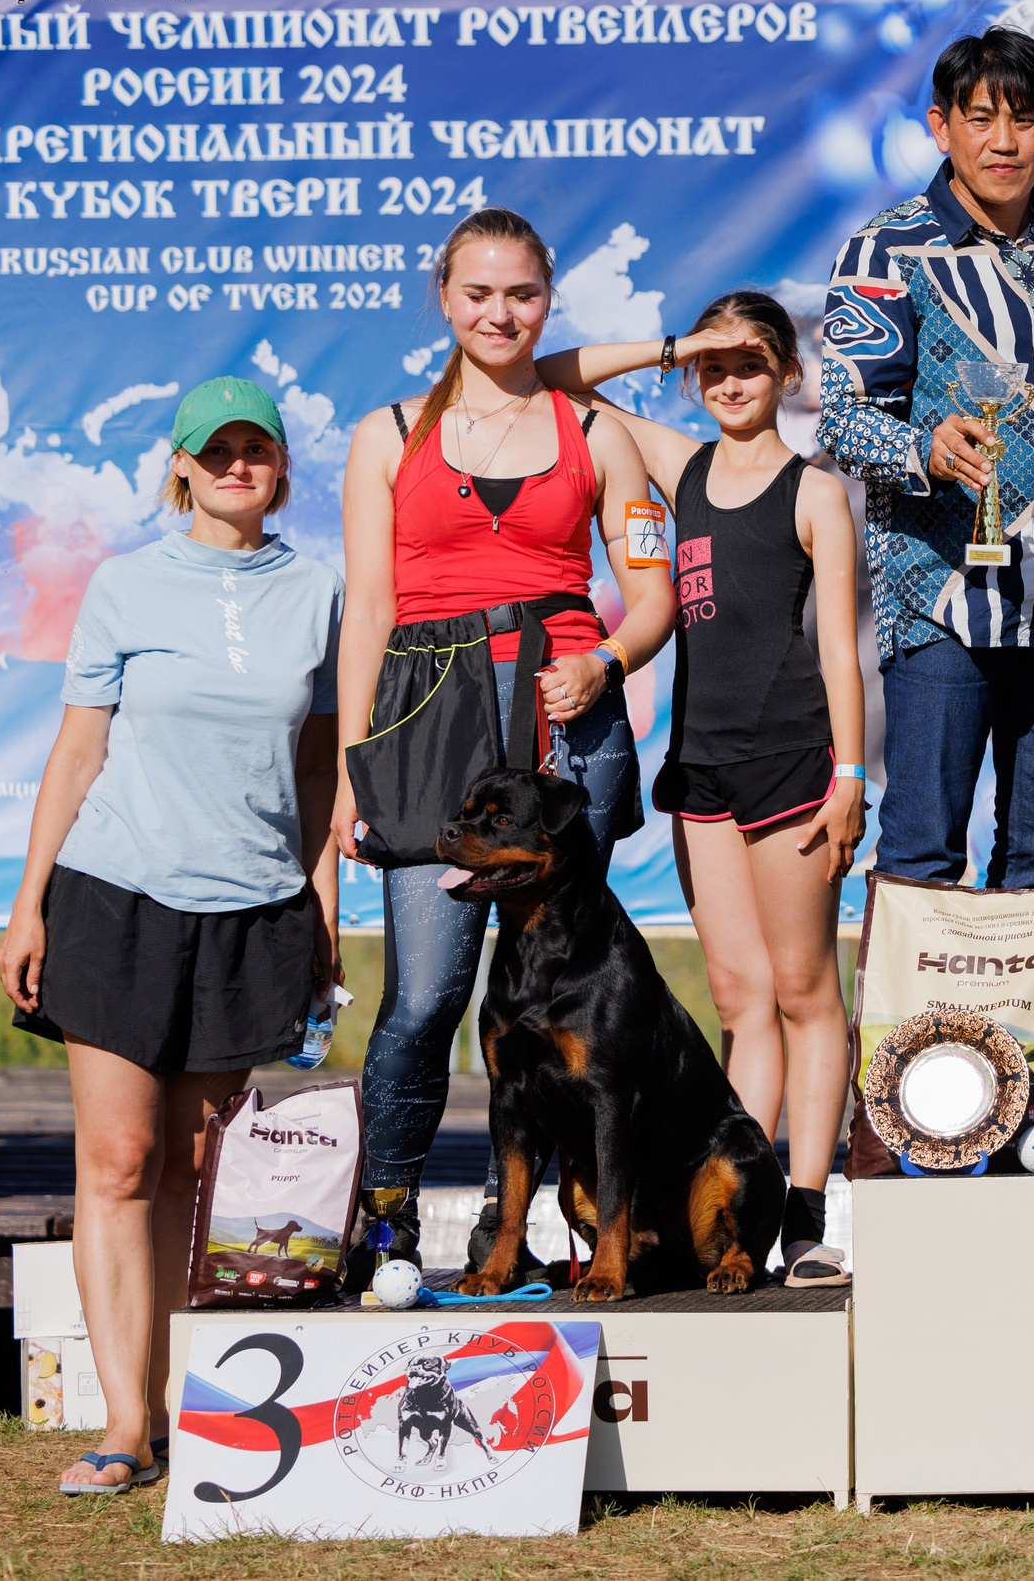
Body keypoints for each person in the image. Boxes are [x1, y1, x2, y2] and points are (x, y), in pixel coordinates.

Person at [0, 379, 342, 1493]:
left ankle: (187, 1416)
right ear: (181, 465)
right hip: (115, 893)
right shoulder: (126, 583)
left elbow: (317, 765)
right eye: (218, 450)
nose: (239, 465)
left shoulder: (317, 589)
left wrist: (322, 904)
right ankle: (123, 1425)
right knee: (119, 1160)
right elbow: (78, 748)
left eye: (258, 449)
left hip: (250, 907)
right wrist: (29, 898)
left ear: (280, 467)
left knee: (194, 1172)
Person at [333, 208, 674, 1278]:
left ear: (548, 299)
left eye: (520, 294)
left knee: (551, 999)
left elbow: (655, 592)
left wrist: (606, 661)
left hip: (563, 725)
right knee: (427, 995)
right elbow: (371, 613)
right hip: (430, 722)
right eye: (478, 293)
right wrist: (356, 771)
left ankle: (505, 1229)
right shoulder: (386, 434)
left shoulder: (597, 433)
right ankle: (383, 1224)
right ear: (444, 298)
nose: (499, 312)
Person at [539, 292, 868, 1285]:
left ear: (787, 375)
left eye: (752, 363)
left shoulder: (813, 492)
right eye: (713, 367)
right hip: (705, 771)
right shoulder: (680, 469)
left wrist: (848, 776)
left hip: (792, 766)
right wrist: (680, 341)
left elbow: (842, 654)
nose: (731, 381)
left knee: (808, 994)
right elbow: (553, 378)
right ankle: (740, 1207)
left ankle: (805, 1215)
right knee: (738, 997)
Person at [820, 26, 1034, 893]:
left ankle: (1033, 1036)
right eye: (981, 118)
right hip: (941, 602)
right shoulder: (885, 249)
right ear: (939, 124)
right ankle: (916, 1037)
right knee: (921, 855)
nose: (1003, 140)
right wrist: (925, 447)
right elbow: (840, 421)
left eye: (1024, 119)